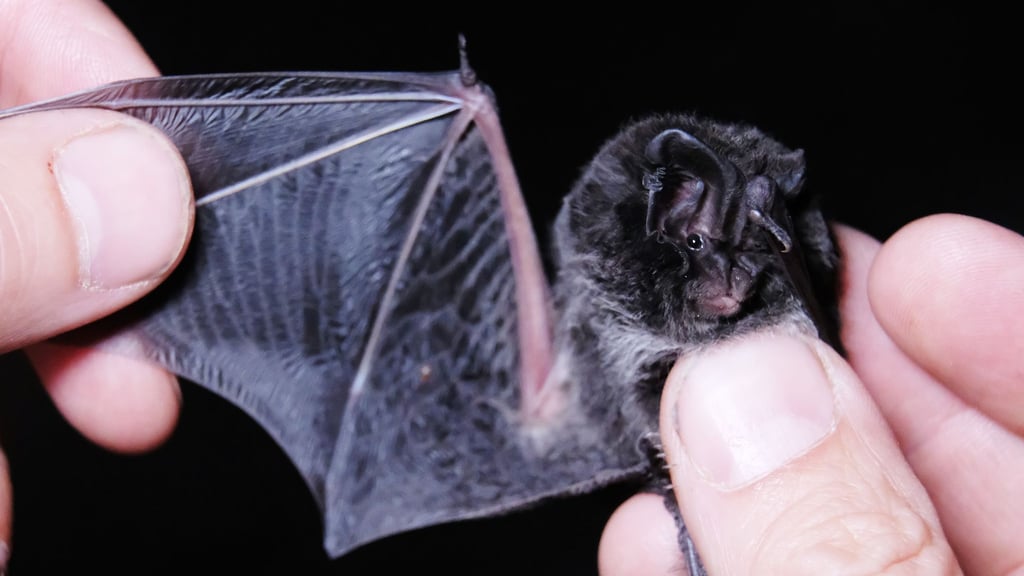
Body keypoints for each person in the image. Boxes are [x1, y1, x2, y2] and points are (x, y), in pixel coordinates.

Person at [1, 2, 1020, 574]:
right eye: (706, 248)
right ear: (658, 226)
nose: (722, 281)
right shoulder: (617, 261)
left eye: (741, 257)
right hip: (584, 385)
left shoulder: (778, 256)